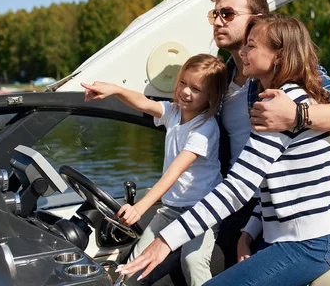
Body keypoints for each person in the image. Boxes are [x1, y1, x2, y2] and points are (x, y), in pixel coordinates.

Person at [117, 13, 330, 285]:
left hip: (310, 244)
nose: (243, 52)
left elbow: (238, 188)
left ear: (279, 56)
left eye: (251, 45)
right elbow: (270, 185)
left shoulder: (284, 105)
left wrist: (167, 239)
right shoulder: (273, 100)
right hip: (279, 238)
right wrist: (247, 235)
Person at [209, 0, 330, 270]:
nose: (218, 20)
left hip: (269, 204)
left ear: (256, 19)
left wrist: (298, 115)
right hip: (239, 202)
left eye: (227, 13)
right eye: (214, 13)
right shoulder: (219, 77)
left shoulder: (284, 76)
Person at [82, 53, 227, 286]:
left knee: (192, 261)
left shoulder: (205, 128)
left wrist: (140, 208)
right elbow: (143, 102)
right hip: (171, 208)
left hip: (202, 209)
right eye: (183, 83)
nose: (186, 92)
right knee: (136, 261)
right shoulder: (174, 113)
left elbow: (174, 172)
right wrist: (115, 90)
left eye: (196, 89)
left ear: (211, 96)